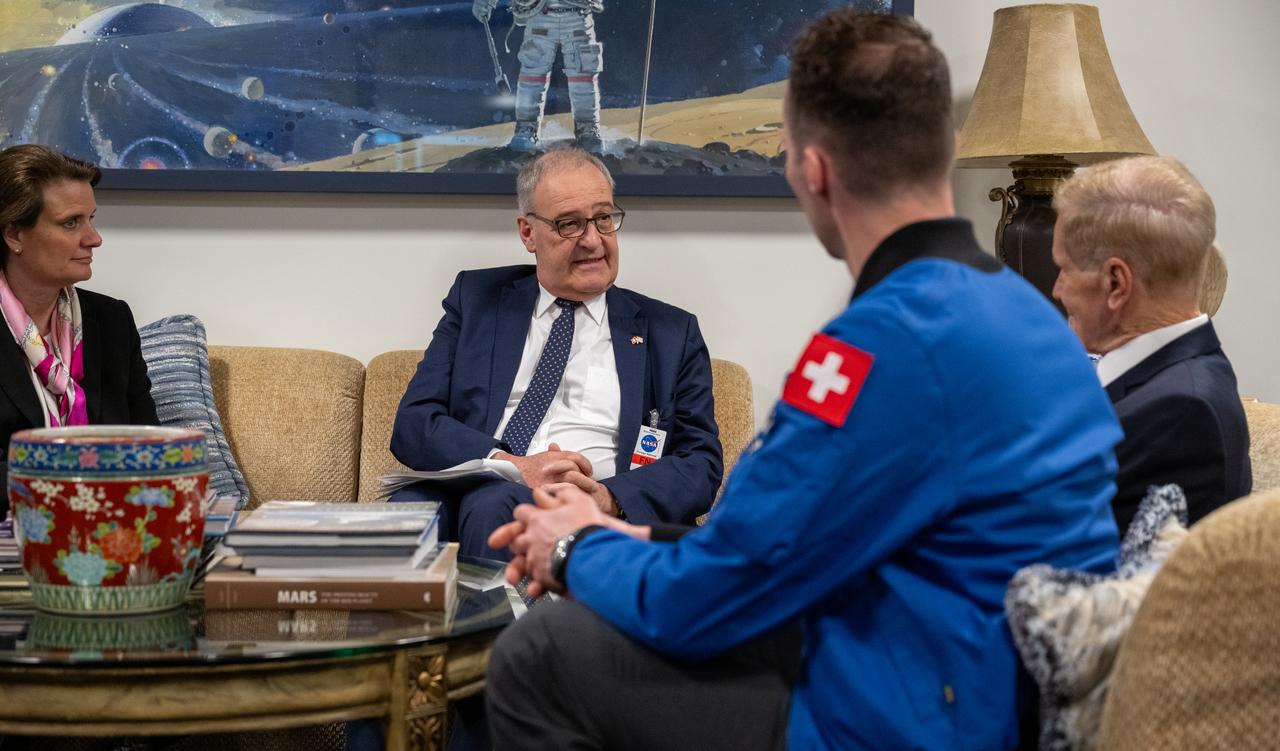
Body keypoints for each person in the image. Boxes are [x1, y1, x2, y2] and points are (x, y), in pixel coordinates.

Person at [484, 10, 1125, 751]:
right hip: (973, 680)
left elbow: (714, 592)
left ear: (813, 171)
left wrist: (573, 550)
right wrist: (617, 531)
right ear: (945, 148)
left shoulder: (880, 347)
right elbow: (793, 537)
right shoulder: (1026, 315)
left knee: (542, 651)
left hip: (906, 714)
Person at [390, 147, 722, 561]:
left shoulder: (670, 332)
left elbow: (700, 462)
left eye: (603, 218)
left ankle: (501, 627)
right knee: (421, 514)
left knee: (493, 508)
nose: (592, 240)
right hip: (487, 484)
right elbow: (415, 422)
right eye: (569, 224)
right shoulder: (477, 300)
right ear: (528, 233)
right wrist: (510, 465)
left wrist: (607, 497)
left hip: (597, 508)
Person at [1052, 155, 1251, 536]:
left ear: (1116, 283)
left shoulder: (1183, 412)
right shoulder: (1168, 380)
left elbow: (1076, 554)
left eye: (1064, 268)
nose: (1056, 289)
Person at [0, 144, 158, 516]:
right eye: (71, 223)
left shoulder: (112, 320)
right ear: (14, 235)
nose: (94, 238)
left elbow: (150, 449)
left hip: (113, 532)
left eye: (91, 218)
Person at [473, 0, 606, 152]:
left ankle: (587, 127)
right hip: (540, 14)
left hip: (577, 14)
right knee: (533, 74)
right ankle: (526, 127)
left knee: (582, 75)